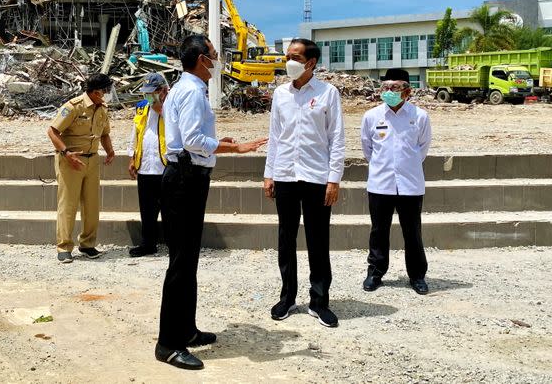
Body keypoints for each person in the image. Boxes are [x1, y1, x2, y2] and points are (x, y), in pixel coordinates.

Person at [155, 34, 267, 371]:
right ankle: (168, 344)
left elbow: (196, 138)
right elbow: (190, 141)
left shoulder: (189, 89)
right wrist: (235, 148)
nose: (218, 60)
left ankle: (185, 330)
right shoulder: (190, 91)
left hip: (189, 178)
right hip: (184, 180)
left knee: (188, 260)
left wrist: (218, 142)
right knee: (181, 263)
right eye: (215, 55)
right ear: (202, 59)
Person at [263, 38, 345, 328]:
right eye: (288, 56)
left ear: (311, 62)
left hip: (316, 178)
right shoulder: (281, 94)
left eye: (295, 57)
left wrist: (333, 179)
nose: (289, 61)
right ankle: (287, 297)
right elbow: (275, 136)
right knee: (286, 239)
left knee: (318, 241)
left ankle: (319, 301)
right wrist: (269, 173)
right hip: (285, 175)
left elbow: (336, 138)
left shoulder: (328, 93)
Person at [360, 68, 432, 295]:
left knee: (413, 232)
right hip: (380, 184)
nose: (389, 92)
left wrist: (405, 166)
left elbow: (422, 149)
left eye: (395, 88)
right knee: (378, 231)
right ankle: (375, 273)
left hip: (410, 185)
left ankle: (417, 276)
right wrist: (385, 168)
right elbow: (367, 149)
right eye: (386, 88)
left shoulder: (419, 116)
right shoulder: (371, 116)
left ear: (407, 92)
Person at [47, 73, 116, 263]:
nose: (108, 93)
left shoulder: (102, 108)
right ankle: (64, 247)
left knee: (92, 206)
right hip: (71, 161)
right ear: (95, 92)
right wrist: (66, 153)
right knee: (68, 205)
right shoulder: (73, 107)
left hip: (92, 161)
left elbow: (105, 134)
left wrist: (110, 151)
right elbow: (52, 131)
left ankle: (87, 244)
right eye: (105, 90)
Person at [126, 73, 170, 257]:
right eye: (146, 93)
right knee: (147, 210)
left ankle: (174, 244)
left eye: (152, 93)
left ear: (163, 91)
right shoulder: (142, 108)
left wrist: (164, 111)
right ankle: (148, 244)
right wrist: (132, 157)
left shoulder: (172, 106)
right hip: (145, 166)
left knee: (170, 209)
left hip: (166, 165)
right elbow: (136, 133)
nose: (148, 96)